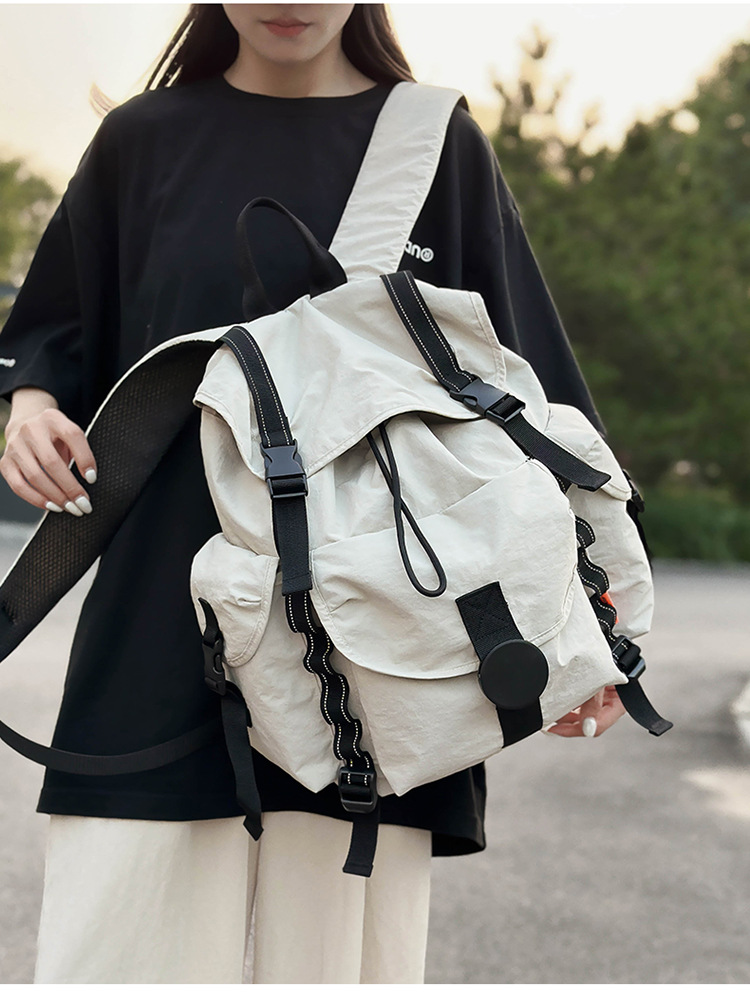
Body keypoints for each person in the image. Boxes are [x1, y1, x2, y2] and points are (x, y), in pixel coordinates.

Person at [0, 3, 626, 985]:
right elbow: (52, 330)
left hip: (377, 648)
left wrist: (596, 620)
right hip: (154, 639)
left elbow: (527, 393)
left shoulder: (434, 144)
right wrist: (30, 404)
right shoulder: (141, 140)